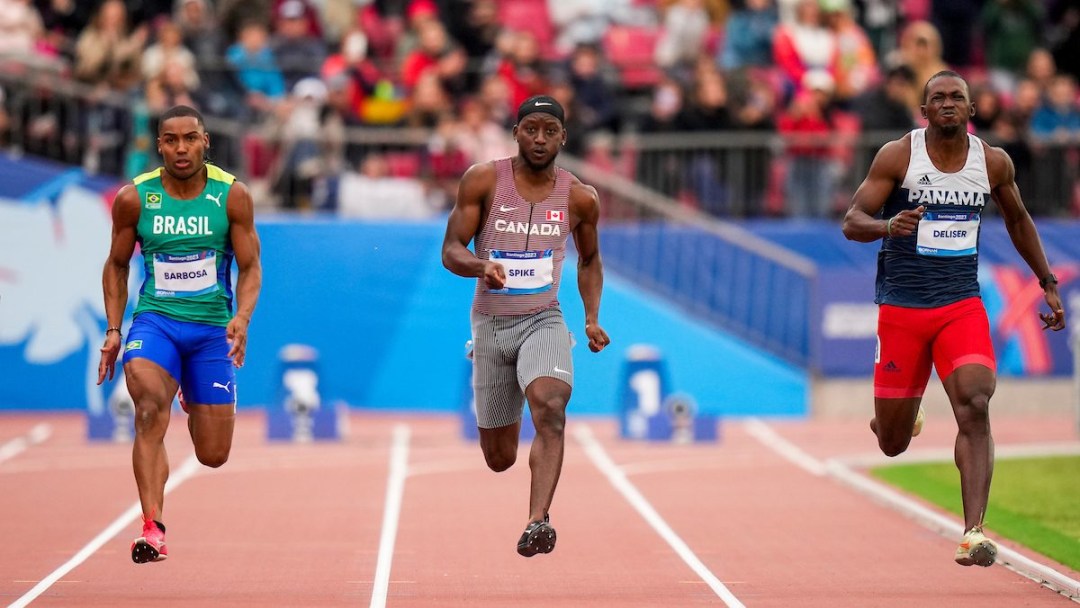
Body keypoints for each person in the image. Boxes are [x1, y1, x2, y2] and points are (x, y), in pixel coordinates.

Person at [842, 71, 1065, 568]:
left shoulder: (993, 162)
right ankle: (901, 417)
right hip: (901, 308)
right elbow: (852, 221)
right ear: (924, 112)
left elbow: (1018, 220)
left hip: (960, 304)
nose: (947, 104)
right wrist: (887, 225)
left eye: (956, 98)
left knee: (976, 403)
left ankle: (974, 532)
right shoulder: (899, 155)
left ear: (971, 109)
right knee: (892, 443)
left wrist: (1047, 282)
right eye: (937, 98)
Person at [442, 95, 611, 557]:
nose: (540, 139)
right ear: (516, 131)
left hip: (544, 319)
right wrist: (481, 266)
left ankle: (538, 520)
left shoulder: (580, 197)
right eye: (531, 129)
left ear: (563, 137)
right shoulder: (483, 181)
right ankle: (495, 392)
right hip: (492, 323)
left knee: (551, 407)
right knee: (500, 459)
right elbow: (451, 249)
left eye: (549, 131)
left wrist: (592, 317)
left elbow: (591, 259)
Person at [97, 104, 262, 564]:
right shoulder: (136, 198)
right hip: (156, 322)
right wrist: (114, 329)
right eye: (171, 140)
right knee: (148, 407)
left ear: (205, 141)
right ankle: (153, 527)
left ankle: (193, 390)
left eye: (190, 138)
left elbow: (250, 268)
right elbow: (116, 265)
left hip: (211, 329)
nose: (181, 148)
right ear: (159, 146)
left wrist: (242, 318)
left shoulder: (232, 196)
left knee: (213, 455)